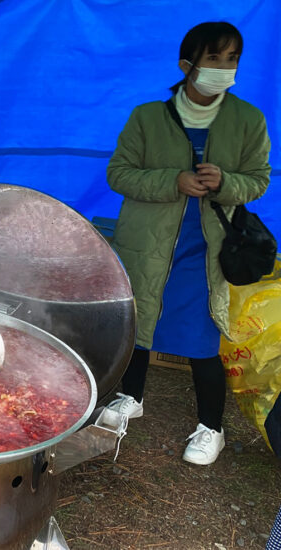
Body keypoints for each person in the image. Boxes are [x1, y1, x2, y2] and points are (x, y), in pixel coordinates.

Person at [105, 22, 271, 466]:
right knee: (140, 323)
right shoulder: (147, 116)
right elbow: (119, 173)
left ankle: (211, 427)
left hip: (207, 249)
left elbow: (258, 181)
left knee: (201, 337)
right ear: (187, 65)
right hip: (148, 244)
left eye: (232, 58)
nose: (224, 67)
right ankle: (130, 397)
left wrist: (226, 182)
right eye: (214, 58)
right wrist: (172, 181)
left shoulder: (248, 120)